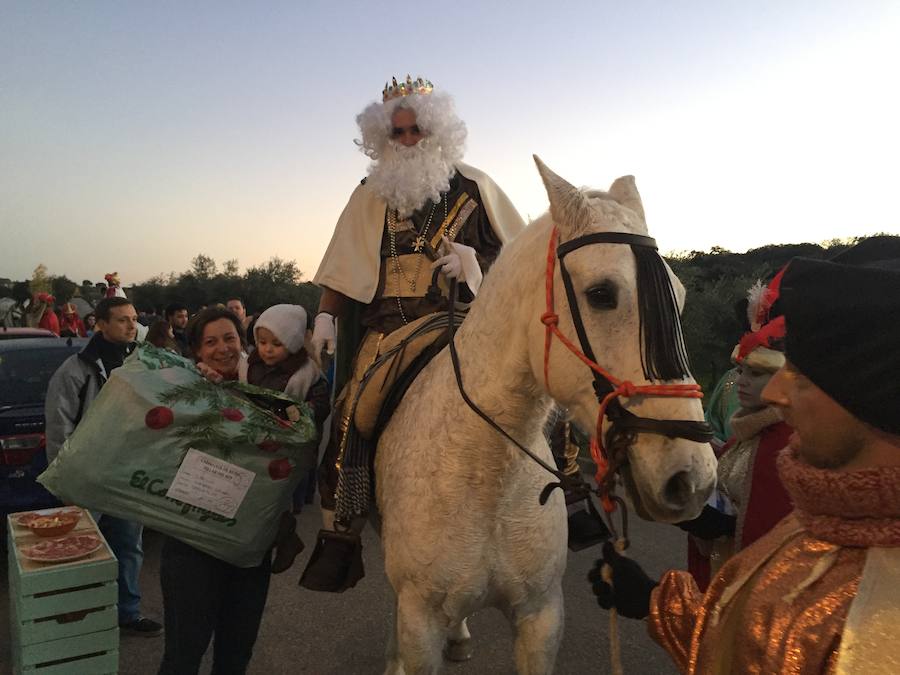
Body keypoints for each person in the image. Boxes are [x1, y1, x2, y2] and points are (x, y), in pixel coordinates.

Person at [590, 254, 900, 673]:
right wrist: (655, 603)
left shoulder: (881, 618)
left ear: (875, 401)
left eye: (803, 379)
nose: (774, 393)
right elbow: (747, 640)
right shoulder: (828, 512)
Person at [310, 74, 525, 526]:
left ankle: (570, 486)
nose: (407, 141)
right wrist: (326, 316)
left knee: (531, 393)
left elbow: (517, 260)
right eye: (397, 133)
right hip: (386, 332)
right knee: (351, 414)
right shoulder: (369, 194)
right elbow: (343, 264)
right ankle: (340, 526)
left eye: (416, 131)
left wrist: (474, 265)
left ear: (436, 132)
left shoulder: (476, 187)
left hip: (463, 323)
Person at [158, 307, 272, 674]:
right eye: (211, 342)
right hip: (192, 544)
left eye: (230, 339)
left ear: (243, 343)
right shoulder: (182, 390)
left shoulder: (266, 389)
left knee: (236, 654)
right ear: (196, 351)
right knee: (183, 653)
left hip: (248, 547)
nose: (222, 348)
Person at [44, 297, 162, 637]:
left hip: (126, 476)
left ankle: (128, 613)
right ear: (100, 324)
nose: (130, 326)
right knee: (81, 551)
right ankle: (80, 619)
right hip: (86, 478)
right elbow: (58, 428)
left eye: (134, 319)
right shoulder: (75, 370)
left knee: (129, 547)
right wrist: (64, 480)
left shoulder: (140, 365)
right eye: (122, 320)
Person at [680, 277, 792, 590]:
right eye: (741, 370)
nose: (740, 380)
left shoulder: (785, 444)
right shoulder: (750, 432)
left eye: (755, 373)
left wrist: (721, 525)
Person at [238, 303, 330, 571]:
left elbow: (321, 404)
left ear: (291, 343)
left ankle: (282, 538)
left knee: (275, 498)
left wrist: (302, 412)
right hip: (253, 439)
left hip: (286, 445)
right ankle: (264, 539)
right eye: (262, 341)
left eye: (276, 344)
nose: (267, 349)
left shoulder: (306, 373)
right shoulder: (249, 366)